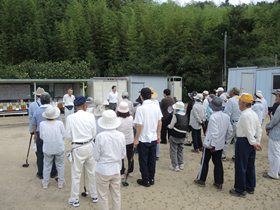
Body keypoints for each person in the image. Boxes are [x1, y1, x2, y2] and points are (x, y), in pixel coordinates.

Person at [194, 97, 233, 189]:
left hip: (210, 144)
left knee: (204, 162)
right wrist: (224, 140)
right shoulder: (226, 116)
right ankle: (219, 182)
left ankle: (201, 179)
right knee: (218, 163)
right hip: (220, 144)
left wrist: (213, 145)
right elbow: (230, 131)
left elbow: (214, 133)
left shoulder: (213, 117)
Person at [66, 96, 98, 207]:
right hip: (89, 145)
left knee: (76, 174)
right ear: (85, 105)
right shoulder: (91, 116)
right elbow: (94, 133)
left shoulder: (70, 118)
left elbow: (68, 136)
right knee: (92, 172)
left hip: (78, 147)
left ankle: (75, 199)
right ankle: (94, 195)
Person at [229, 93, 262, 198]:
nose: (238, 104)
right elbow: (259, 129)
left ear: (243, 103)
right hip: (251, 141)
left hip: (244, 141)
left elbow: (247, 131)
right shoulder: (254, 114)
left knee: (241, 165)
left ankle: (240, 189)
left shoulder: (244, 115)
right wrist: (257, 142)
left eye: (239, 102)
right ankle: (250, 186)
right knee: (250, 165)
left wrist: (253, 142)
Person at [93, 110, 126, 210]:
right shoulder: (121, 136)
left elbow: (96, 156)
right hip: (116, 168)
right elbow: (123, 154)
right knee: (116, 195)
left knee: (102, 197)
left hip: (102, 169)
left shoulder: (100, 137)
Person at [134, 87, 162, 187]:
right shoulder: (156, 107)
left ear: (141, 97)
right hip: (153, 138)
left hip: (143, 138)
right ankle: (151, 178)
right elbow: (159, 122)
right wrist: (158, 134)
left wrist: (136, 139)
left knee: (143, 160)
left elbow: (139, 125)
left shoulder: (140, 109)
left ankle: (145, 180)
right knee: (152, 160)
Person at [32, 93, 57, 180]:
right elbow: (58, 121)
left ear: (41, 101)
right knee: (52, 153)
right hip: (52, 134)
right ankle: (53, 173)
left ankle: (41, 173)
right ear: (49, 100)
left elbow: (34, 125)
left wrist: (35, 135)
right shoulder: (54, 110)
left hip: (40, 134)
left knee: (40, 154)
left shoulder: (37, 111)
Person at [40, 106, 65, 189]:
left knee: (47, 165)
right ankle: (60, 183)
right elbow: (63, 135)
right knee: (60, 165)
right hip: (59, 147)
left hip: (47, 148)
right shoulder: (60, 123)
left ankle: (45, 183)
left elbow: (42, 136)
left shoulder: (42, 124)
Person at [116, 101, 134, 183]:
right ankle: (130, 171)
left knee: (121, 157)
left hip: (120, 141)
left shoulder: (117, 119)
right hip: (130, 140)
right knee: (130, 156)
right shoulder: (131, 118)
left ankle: (122, 172)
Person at [264, 89, 280, 180]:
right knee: (278, 153)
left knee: (274, 153)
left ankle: (273, 173)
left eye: (277, 96)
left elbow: (274, 121)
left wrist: (267, 126)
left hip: (276, 133)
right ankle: (277, 170)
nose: (276, 98)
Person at [168, 101, 187, 172]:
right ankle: (181, 164)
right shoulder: (185, 115)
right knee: (180, 150)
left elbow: (171, 126)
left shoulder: (175, 116)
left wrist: (168, 126)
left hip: (175, 134)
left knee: (173, 150)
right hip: (183, 135)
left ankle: (175, 165)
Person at [223, 87, 241, 160]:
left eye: (230, 91)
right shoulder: (241, 99)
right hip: (241, 123)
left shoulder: (231, 100)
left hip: (233, 123)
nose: (229, 93)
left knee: (227, 139)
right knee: (238, 141)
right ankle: (236, 155)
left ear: (233, 92)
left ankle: (223, 155)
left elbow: (227, 113)